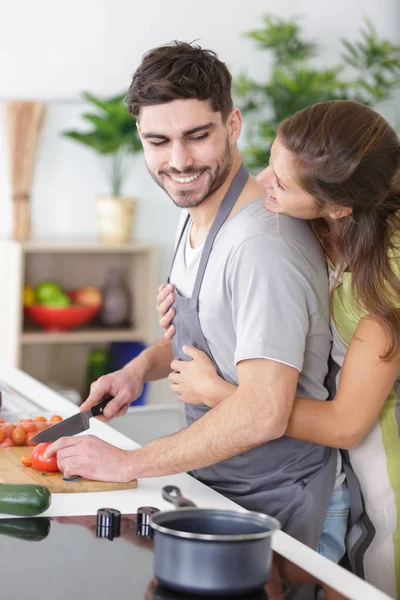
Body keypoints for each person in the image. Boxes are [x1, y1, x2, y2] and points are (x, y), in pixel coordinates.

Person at [46, 42, 347, 566]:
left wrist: (129, 462)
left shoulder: (261, 244)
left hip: (281, 504)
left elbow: (262, 412)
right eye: (158, 141)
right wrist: (139, 370)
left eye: (197, 136)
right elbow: (212, 332)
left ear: (232, 125)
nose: (179, 161)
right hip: (224, 487)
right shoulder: (199, 207)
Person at [157, 99, 400, 597]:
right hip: (347, 482)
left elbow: (345, 424)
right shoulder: (316, 227)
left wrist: (221, 392)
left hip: (386, 483)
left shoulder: (384, 283)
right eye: (272, 160)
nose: (263, 179)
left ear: (339, 207)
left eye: (283, 183)